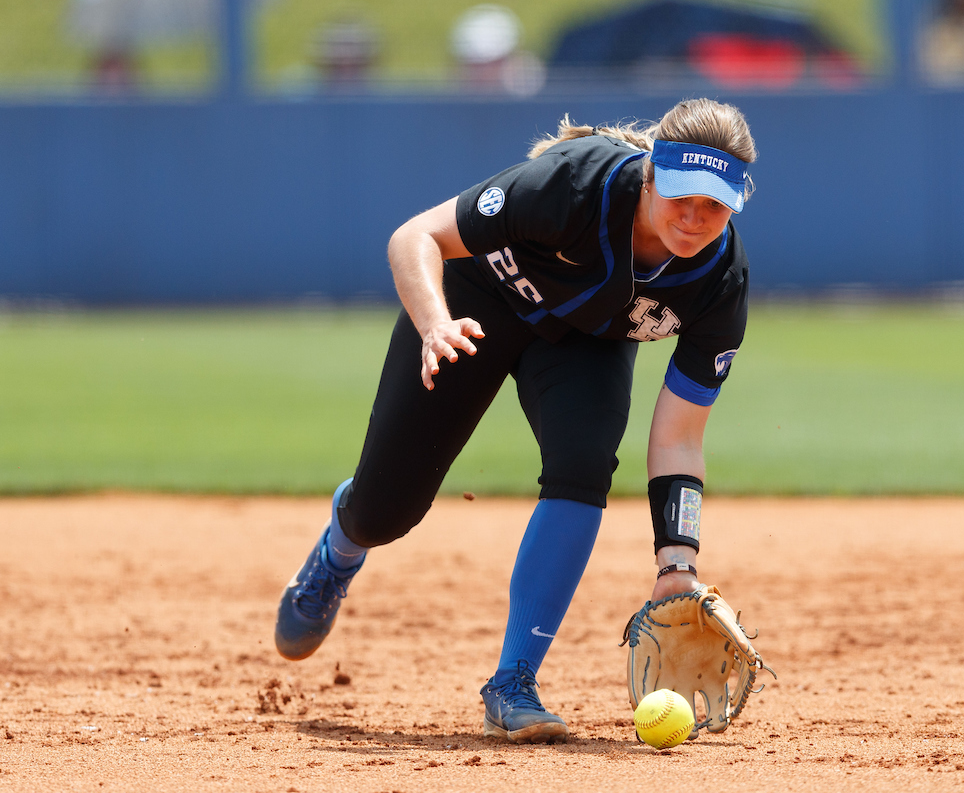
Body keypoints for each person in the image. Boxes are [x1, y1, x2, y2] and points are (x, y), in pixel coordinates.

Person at [274, 98, 758, 744]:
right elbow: (414, 237)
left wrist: (678, 560)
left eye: (716, 204)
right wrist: (434, 325)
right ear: (652, 176)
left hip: (584, 341)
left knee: (585, 464)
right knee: (385, 512)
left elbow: (678, 437)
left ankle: (513, 683)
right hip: (477, 306)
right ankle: (343, 543)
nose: (696, 219)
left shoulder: (718, 280)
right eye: (681, 198)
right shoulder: (573, 183)